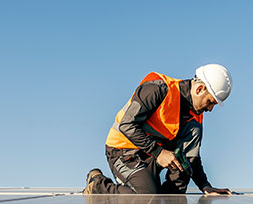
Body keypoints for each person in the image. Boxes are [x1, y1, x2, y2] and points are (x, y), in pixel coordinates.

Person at [84, 64, 233, 195]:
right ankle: (98, 185)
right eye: (210, 102)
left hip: (153, 153)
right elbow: (127, 125)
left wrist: (205, 186)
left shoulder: (196, 115)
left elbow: (191, 155)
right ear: (200, 89)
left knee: (181, 174)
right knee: (147, 196)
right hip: (123, 151)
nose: (210, 109)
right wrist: (159, 152)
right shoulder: (158, 89)